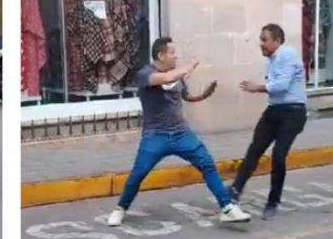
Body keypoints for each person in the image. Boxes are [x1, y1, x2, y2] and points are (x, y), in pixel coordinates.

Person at [107, 37, 252, 227]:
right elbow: (166, 78)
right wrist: (190, 66)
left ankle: (227, 208)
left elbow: (186, 96)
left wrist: (203, 95)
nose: (176, 56)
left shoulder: (177, 76)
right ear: (161, 55)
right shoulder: (146, 74)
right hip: (155, 135)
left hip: (181, 133)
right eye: (172, 53)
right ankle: (120, 209)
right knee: (138, 174)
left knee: (207, 163)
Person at [228, 24, 308, 220]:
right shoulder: (272, 60)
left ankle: (273, 201)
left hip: (293, 112)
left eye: (264, 39)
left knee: (278, 156)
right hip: (275, 111)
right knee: (255, 149)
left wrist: (257, 88)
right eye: (261, 39)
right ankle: (235, 190)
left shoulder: (286, 54)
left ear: (277, 41)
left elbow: (281, 86)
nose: (260, 43)